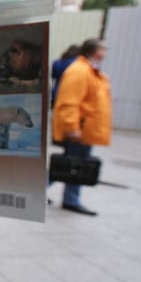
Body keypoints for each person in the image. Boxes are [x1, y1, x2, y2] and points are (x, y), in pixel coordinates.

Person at [51, 39, 112, 216]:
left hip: (86, 128)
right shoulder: (79, 71)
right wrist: (72, 127)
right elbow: (69, 102)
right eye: (103, 48)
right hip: (79, 129)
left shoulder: (89, 70)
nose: (106, 52)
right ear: (94, 51)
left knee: (75, 164)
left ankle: (69, 198)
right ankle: (49, 193)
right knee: (71, 163)